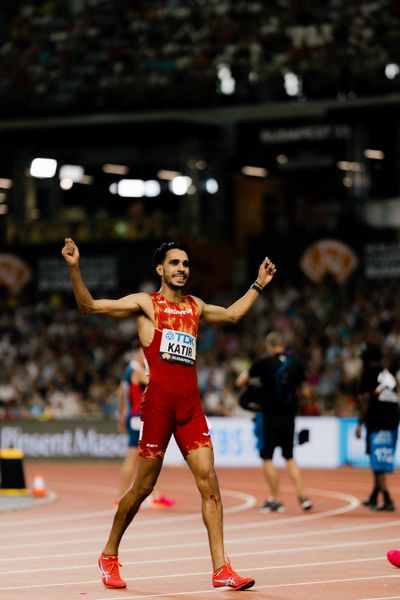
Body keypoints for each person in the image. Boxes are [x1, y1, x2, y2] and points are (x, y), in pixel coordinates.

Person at [61, 237, 276, 591]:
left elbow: (235, 314)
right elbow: (89, 307)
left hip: (190, 407)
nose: (181, 269)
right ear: (160, 269)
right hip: (159, 406)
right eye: (175, 263)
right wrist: (74, 268)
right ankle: (109, 554)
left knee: (211, 486)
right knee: (143, 486)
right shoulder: (146, 304)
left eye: (186, 264)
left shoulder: (196, 306)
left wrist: (257, 284)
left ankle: (221, 568)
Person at [236, 330, 312, 513]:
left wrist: (255, 389)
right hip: (289, 416)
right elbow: (307, 392)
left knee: (267, 457)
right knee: (289, 456)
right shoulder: (296, 363)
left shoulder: (263, 362)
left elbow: (240, 381)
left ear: (269, 346)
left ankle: (276, 500)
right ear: (283, 345)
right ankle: (303, 497)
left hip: (269, 415)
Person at [116, 347, 176, 509]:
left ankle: (155, 494)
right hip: (138, 418)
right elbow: (153, 382)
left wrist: (121, 415)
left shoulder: (129, 371)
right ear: (137, 354)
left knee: (148, 457)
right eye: (145, 354)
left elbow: (120, 392)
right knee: (134, 457)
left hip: (135, 417)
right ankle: (121, 497)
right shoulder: (136, 370)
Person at [355, 342, 400, 513]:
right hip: (392, 421)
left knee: (378, 462)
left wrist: (359, 423)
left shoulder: (369, 373)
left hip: (377, 421)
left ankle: (387, 498)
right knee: (380, 459)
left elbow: (366, 398)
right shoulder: (388, 374)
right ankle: (374, 496)